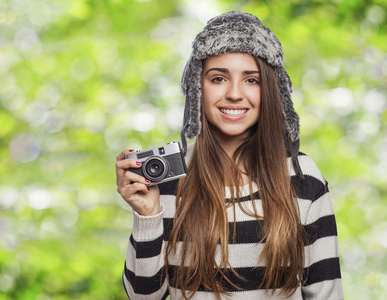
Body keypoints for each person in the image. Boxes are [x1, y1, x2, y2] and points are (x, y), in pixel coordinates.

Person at [116, 11, 343, 299]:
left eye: (252, 80)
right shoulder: (170, 180)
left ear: (271, 91)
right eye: (219, 78)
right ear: (198, 88)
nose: (235, 94)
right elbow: (143, 297)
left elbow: (327, 293)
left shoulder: (301, 176)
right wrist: (147, 216)